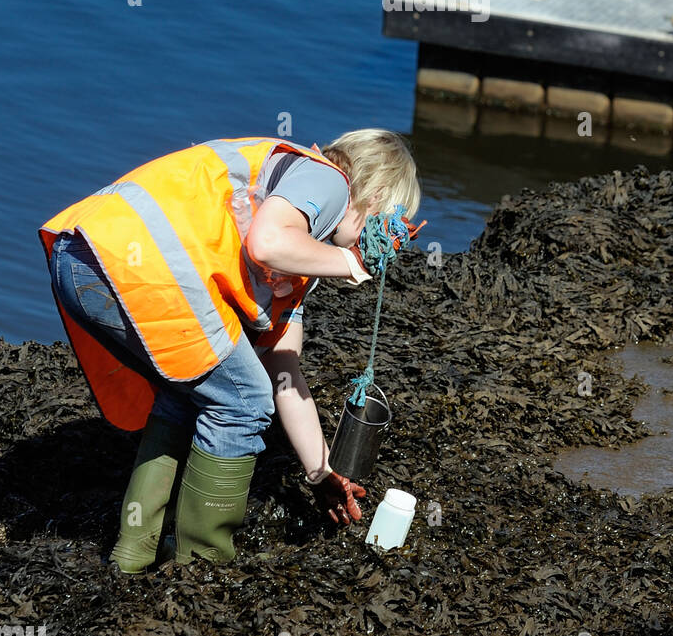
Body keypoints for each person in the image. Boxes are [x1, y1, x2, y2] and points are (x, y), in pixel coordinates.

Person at [38, 128, 421, 571]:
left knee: (193, 393)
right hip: (133, 263)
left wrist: (320, 471)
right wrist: (352, 264)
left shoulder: (299, 236)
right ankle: (201, 567)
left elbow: (283, 369)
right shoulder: (330, 181)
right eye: (387, 219)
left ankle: (131, 557)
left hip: (81, 256)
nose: (378, 238)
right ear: (374, 194)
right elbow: (267, 243)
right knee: (242, 402)